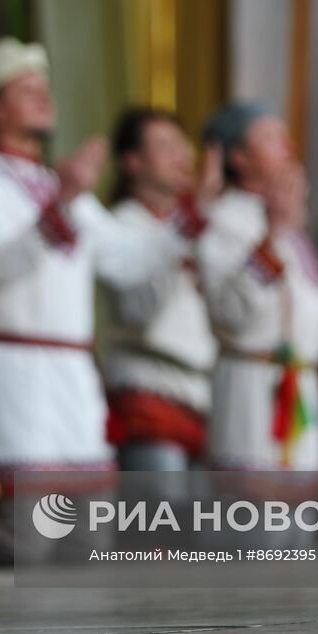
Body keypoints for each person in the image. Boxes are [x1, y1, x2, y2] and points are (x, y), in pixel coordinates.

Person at [0, 38, 198, 556]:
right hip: (16, 369)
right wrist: (63, 204)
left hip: (72, 375)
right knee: (33, 542)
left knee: (90, 538)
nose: (45, 99)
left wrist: (188, 218)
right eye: (27, 90)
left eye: (46, 88)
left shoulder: (61, 187)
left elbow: (128, 261)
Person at [196, 102, 318, 472]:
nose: (289, 146)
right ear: (238, 158)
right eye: (270, 138)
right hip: (251, 389)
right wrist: (274, 232)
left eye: (284, 137)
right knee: (253, 521)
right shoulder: (221, 219)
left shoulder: (293, 232)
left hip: (301, 388)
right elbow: (232, 312)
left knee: (297, 523)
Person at [103, 108, 219, 471]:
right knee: (158, 525)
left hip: (201, 394)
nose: (183, 156)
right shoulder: (121, 225)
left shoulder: (194, 224)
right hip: (147, 388)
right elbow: (139, 310)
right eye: (166, 146)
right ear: (132, 161)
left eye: (183, 145)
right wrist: (184, 232)